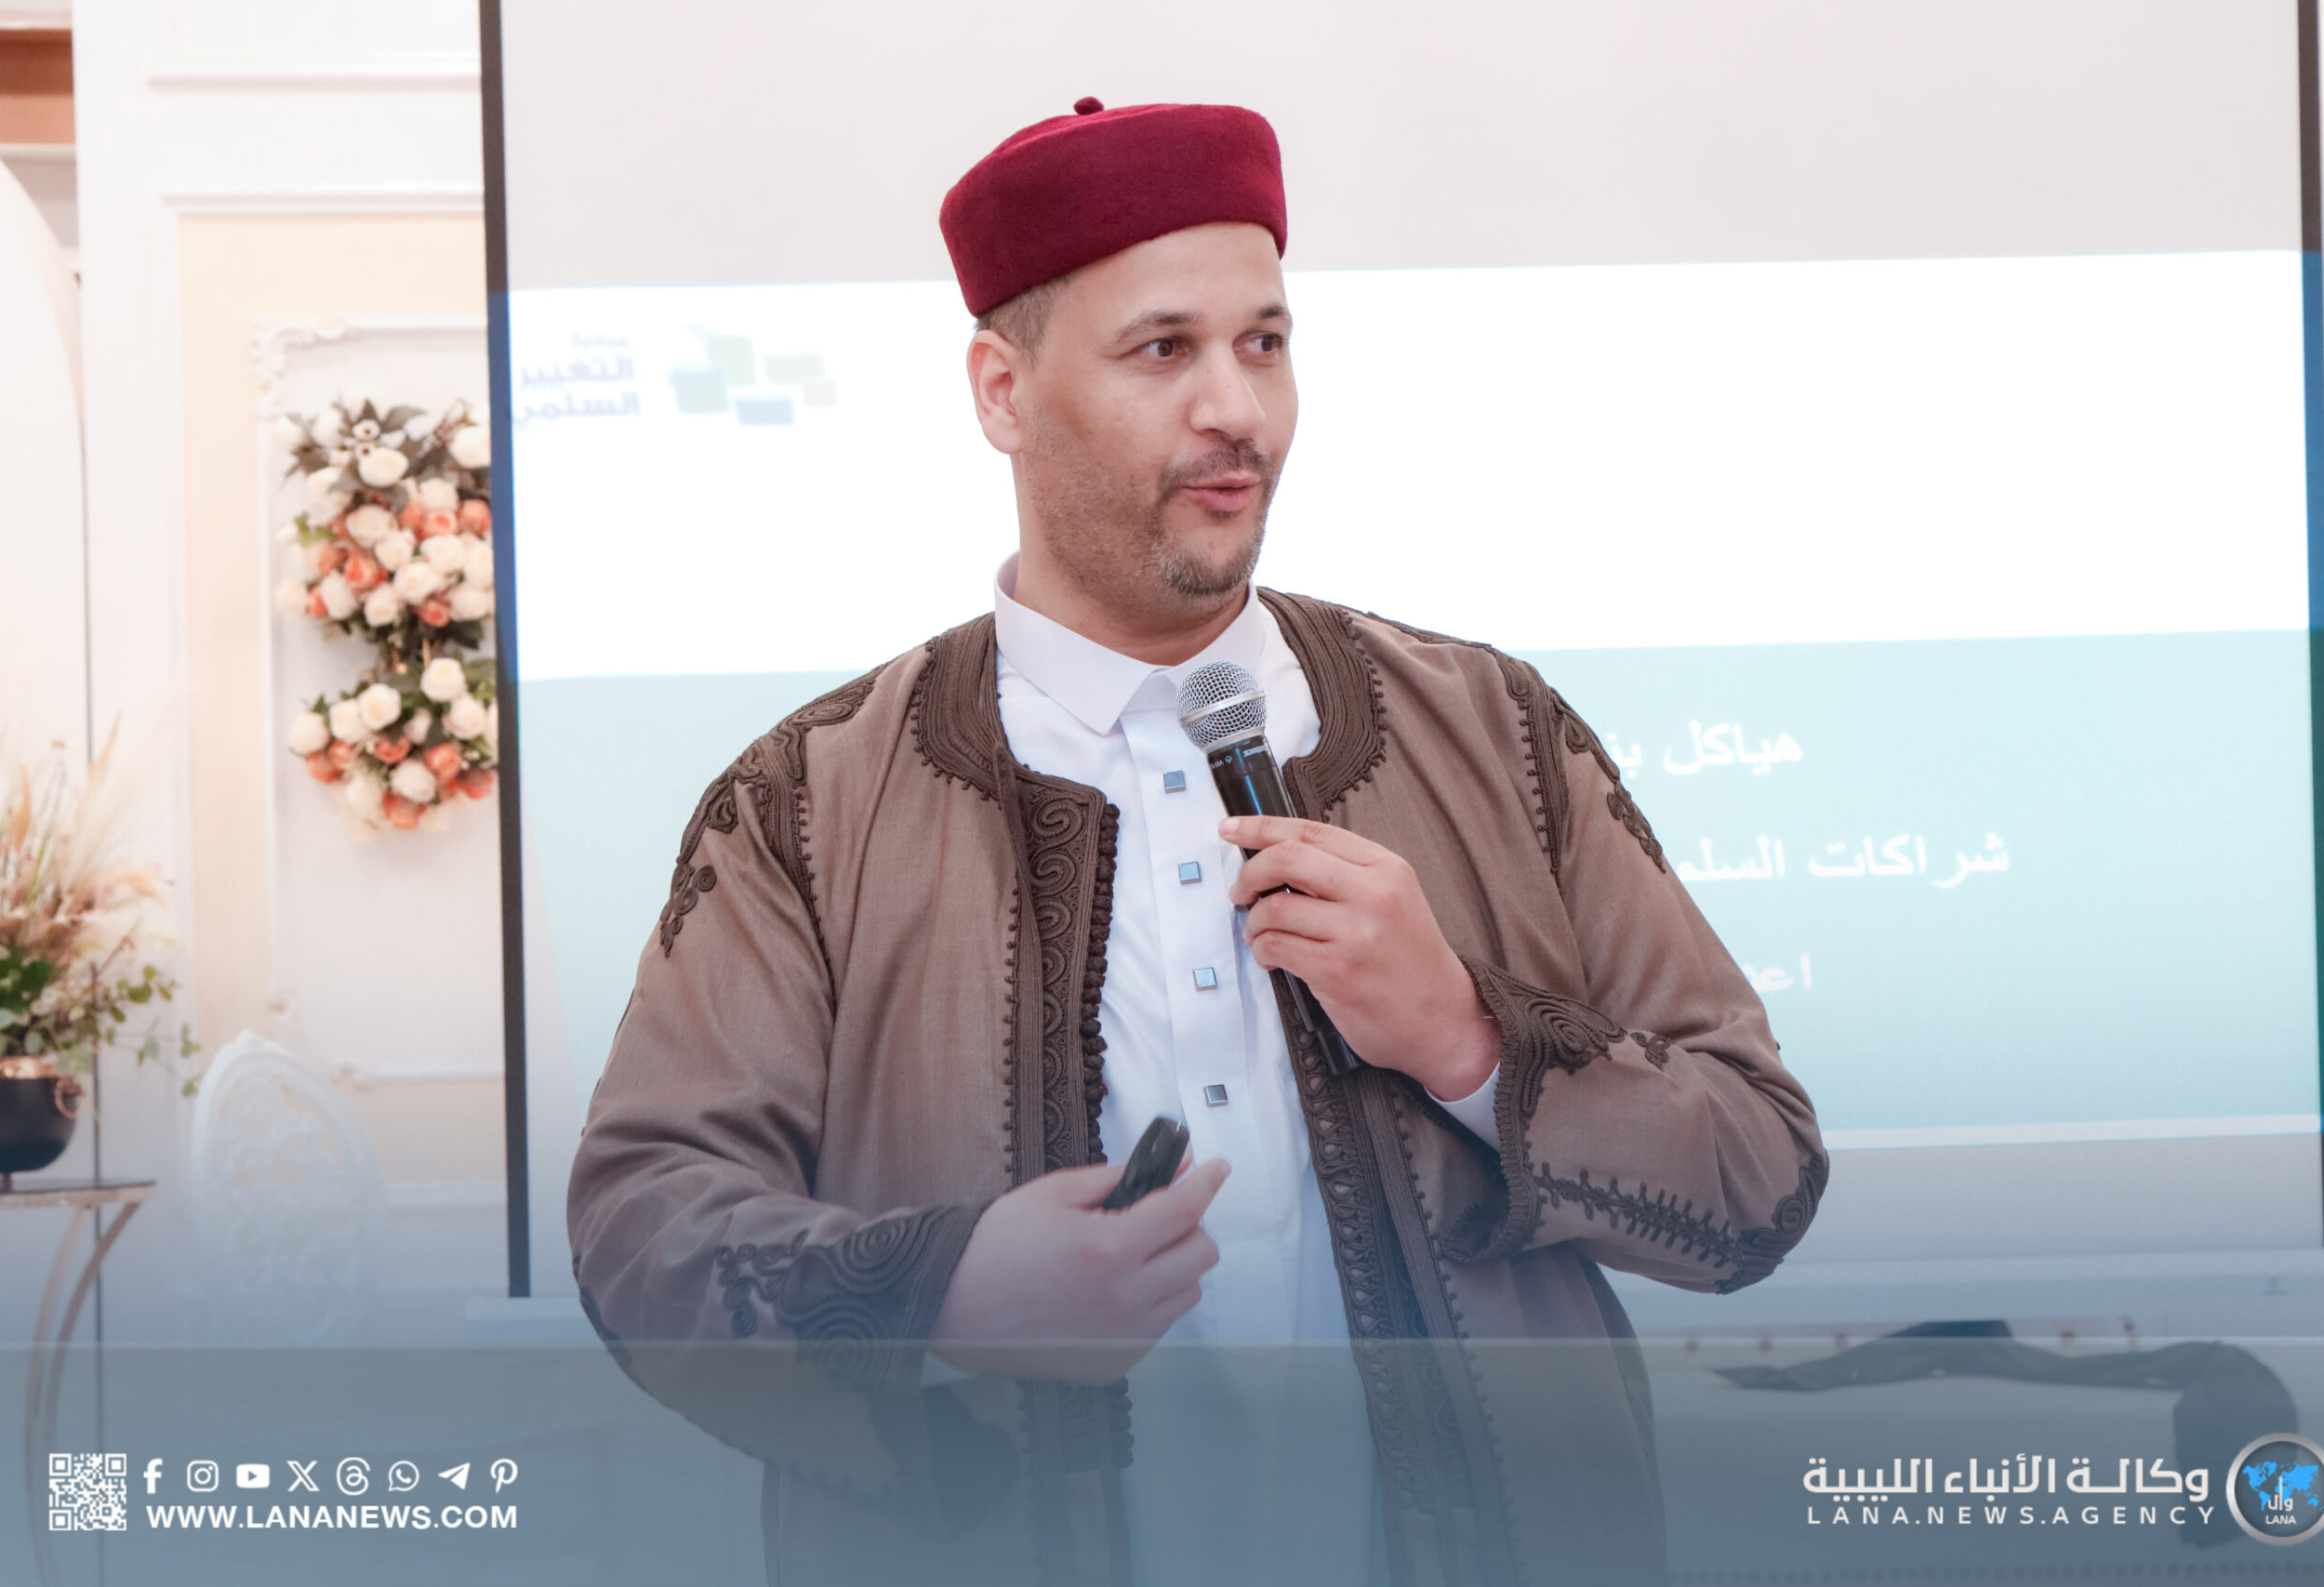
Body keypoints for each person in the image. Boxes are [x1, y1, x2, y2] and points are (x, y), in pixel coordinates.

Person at [567, 97, 1826, 1587]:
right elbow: (641, 1233)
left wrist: (1468, 1040)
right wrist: (945, 1290)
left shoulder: (1495, 728)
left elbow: (1760, 1178)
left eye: (1265, 343)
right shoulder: (808, 801)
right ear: (1002, 391)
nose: (1238, 410)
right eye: (1164, 350)